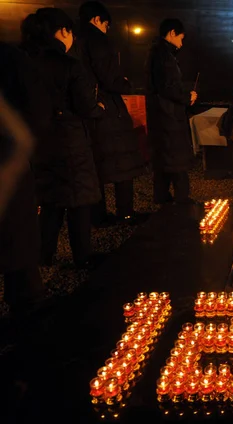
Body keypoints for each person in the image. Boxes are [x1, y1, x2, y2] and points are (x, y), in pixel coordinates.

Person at [21, 8, 106, 269]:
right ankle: (82, 256)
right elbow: (84, 104)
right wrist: (98, 109)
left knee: (50, 201)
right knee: (78, 199)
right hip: (69, 140)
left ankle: (42, 256)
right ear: (64, 32)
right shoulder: (69, 64)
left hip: (39, 140)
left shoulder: (25, 61)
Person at [76, 1, 146, 226]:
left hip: (88, 108)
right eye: (107, 25)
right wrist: (124, 84)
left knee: (97, 164)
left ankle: (98, 215)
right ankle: (125, 212)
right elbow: (108, 76)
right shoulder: (97, 41)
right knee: (121, 161)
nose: (107, 29)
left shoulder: (75, 41)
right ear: (97, 20)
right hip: (108, 109)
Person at [0, 42, 51, 318]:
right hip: (8, 161)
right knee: (16, 230)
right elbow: (37, 109)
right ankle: (26, 300)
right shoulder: (11, 58)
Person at [145, 18, 196, 205]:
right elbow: (168, 87)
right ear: (172, 33)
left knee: (163, 159)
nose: (181, 44)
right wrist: (187, 97)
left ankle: (162, 197)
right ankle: (182, 200)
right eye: (181, 38)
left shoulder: (156, 52)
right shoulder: (164, 56)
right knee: (177, 158)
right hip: (169, 116)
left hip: (160, 115)